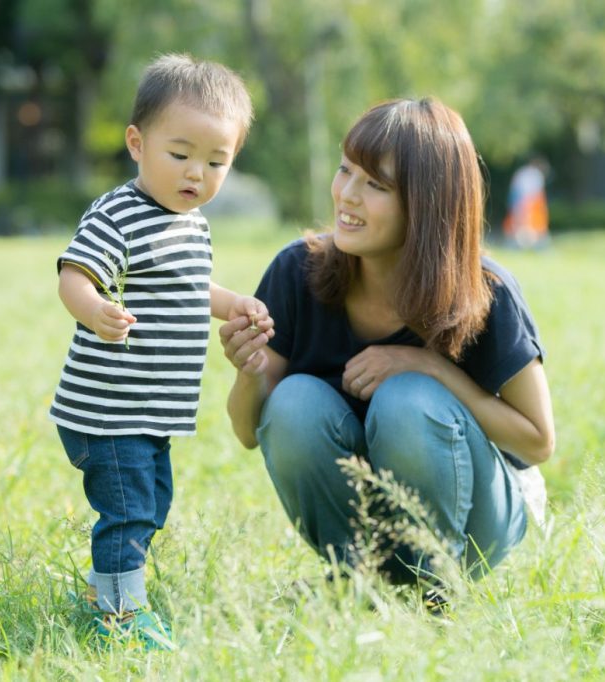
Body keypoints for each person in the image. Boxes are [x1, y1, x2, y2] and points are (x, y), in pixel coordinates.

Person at [220, 98, 555, 604]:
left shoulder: (485, 291)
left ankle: (435, 587)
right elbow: (251, 432)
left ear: (428, 204)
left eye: (376, 185)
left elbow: (536, 442)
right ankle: (358, 580)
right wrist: (249, 374)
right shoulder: (297, 273)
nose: (347, 196)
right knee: (291, 401)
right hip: (374, 517)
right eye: (345, 170)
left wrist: (432, 368)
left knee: (409, 399)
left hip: (479, 523)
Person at [48, 53, 274, 647]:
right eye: (180, 155)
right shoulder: (118, 213)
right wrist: (94, 309)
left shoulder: (191, 224)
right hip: (109, 409)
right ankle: (121, 616)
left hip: (150, 412)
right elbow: (75, 273)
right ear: (136, 143)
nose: (195, 174)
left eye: (216, 162)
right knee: (128, 512)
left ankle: (105, 588)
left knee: (152, 504)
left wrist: (236, 304)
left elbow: (191, 288)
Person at [503, 156, 550, 249]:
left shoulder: (523, 172)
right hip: (525, 200)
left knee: (517, 222)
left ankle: (514, 242)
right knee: (523, 223)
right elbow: (532, 194)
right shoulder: (535, 175)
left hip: (519, 199)